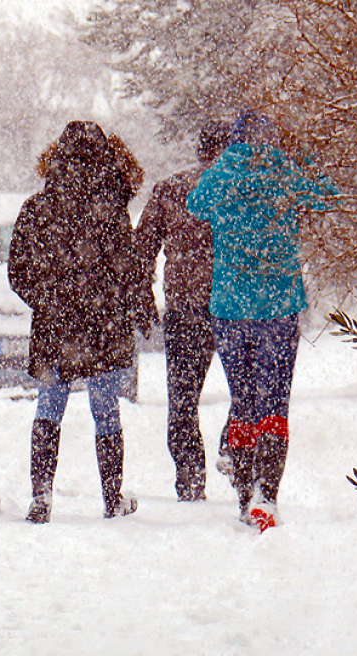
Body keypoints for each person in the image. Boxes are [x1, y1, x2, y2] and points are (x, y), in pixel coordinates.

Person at [186, 111, 335, 531]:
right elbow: (327, 195)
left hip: (230, 306)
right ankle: (266, 497)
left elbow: (195, 205)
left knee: (244, 401)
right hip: (279, 305)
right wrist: (301, 157)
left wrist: (225, 168)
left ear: (235, 140)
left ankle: (242, 494)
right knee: (275, 404)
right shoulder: (284, 170)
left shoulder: (222, 173)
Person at [8, 121, 154, 524]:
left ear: (57, 156)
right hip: (103, 325)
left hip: (56, 325)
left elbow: (18, 271)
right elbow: (128, 268)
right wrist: (136, 306)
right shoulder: (111, 209)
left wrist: (48, 299)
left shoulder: (38, 208)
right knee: (106, 411)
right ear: (108, 158)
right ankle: (112, 498)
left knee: (49, 407)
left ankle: (41, 496)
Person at [134, 120, 232, 502]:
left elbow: (141, 251)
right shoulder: (241, 191)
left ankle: (190, 478)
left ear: (199, 150)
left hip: (185, 308)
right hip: (234, 306)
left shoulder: (172, 189)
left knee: (183, 400)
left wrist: (143, 302)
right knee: (246, 392)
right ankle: (233, 448)